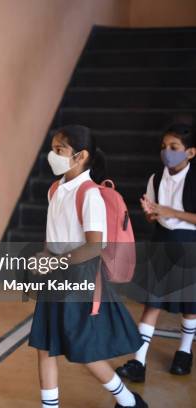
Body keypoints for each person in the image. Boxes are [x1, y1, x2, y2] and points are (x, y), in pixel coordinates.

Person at [29, 125, 147, 408]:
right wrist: (44, 256)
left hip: (78, 280)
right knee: (45, 346)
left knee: (85, 351)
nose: (52, 155)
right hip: (55, 278)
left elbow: (94, 246)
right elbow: (53, 238)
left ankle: (128, 401)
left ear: (80, 156)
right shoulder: (55, 189)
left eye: (60, 150)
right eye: (53, 148)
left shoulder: (90, 194)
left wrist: (55, 261)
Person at [116, 123, 196, 382]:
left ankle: (184, 352)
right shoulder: (156, 177)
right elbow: (154, 217)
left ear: (190, 153)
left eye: (174, 148)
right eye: (164, 147)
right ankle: (139, 361)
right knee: (152, 302)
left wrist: (170, 212)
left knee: (190, 305)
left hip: (189, 245)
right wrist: (151, 214)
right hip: (161, 242)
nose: (167, 152)